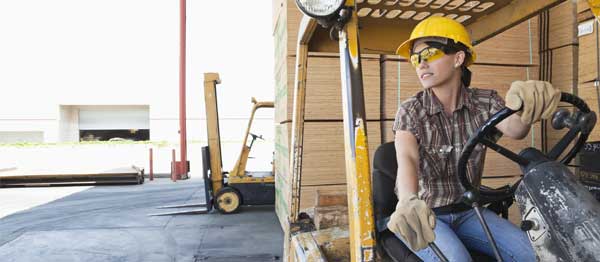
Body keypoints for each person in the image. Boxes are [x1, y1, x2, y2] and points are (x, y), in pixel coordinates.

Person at [385, 16, 560, 262]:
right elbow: (407, 161)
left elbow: (516, 129)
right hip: (424, 216)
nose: (420, 63)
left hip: (469, 211)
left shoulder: (485, 102)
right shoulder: (411, 110)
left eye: (430, 53)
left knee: (532, 255)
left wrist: (526, 103)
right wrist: (407, 200)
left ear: (458, 58)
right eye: (415, 58)